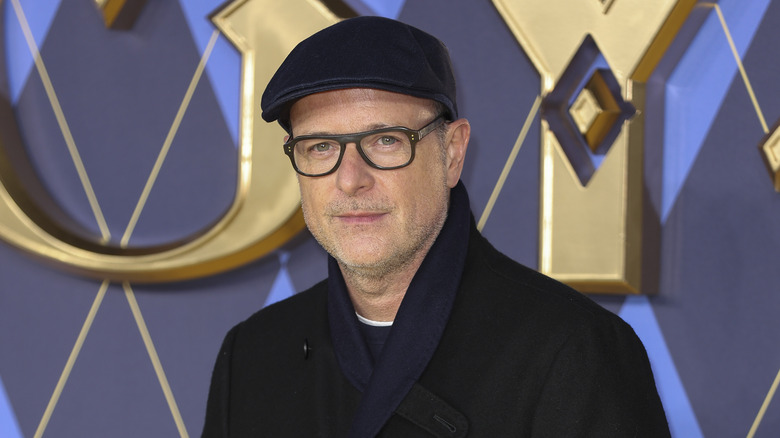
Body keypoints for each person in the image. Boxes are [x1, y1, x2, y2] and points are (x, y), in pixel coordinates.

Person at [202, 16, 670, 438]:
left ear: (452, 154)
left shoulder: (573, 352)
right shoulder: (253, 355)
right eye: (321, 147)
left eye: (385, 140)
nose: (350, 180)